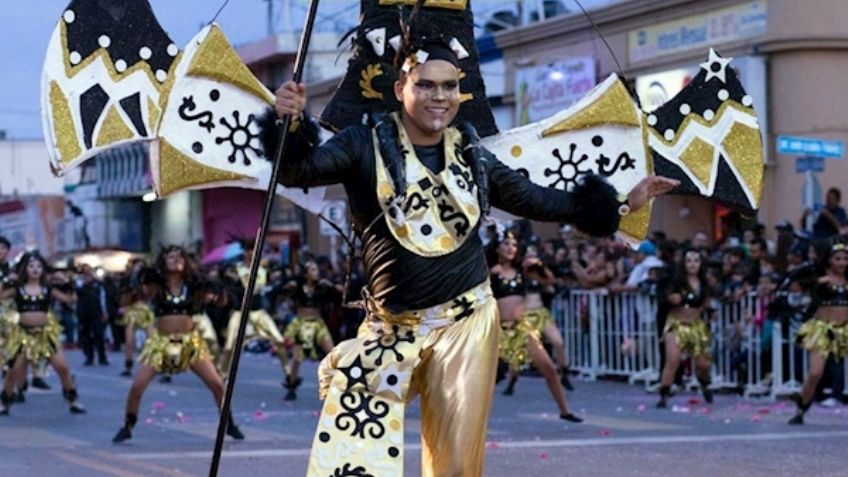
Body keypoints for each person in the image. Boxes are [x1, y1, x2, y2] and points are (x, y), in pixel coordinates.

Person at [267, 36, 677, 475]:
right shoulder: (361, 144)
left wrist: (620, 204)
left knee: (457, 467)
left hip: (465, 323)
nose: (439, 97)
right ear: (400, 87)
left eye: (449, 86)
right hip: (390, 326)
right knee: (350, 463)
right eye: (426, 85)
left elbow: (540, 201)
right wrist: (286, 124)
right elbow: (297, 170)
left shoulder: (472, 155)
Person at [112, 246, 244, 442]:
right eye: (171, 257)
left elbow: (220, 301)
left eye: (179, 256)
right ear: (163, 262)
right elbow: (126, 300)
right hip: (161, 343)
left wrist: (219, 294)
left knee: (217, 384)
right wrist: (133, 283)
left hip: (189, 343)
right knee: (137, 386)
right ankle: (128, 425)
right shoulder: (156, 287)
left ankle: (230, 424)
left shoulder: (194, 286)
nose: (176, 260)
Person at [489, 230, 580, 419]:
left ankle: (565, 411)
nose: (511, 248)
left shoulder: (522, 271)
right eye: (506, 244)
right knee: (481, 378)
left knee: (549, 368)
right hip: (496, 331)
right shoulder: (490, 272)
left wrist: (539, 264)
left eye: (514, 245)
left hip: (521, 328)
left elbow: (549, 280)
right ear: (497, 247)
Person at [0, 252, 84, 415]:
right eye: (31, 266)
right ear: (25, 269)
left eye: (38, 266)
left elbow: (71, 299)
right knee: (13, 371)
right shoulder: (17, 289)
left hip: (45, 336)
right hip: (23, 336)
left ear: (43, 270)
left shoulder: (48, 289)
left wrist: (67, 282)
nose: (35, 269)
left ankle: (73, 400)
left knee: (63, 367)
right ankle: (5, 402)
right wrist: (5, 280)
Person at [787, 237, 848, 424]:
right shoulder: (819, 277)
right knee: (815, 373)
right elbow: (794, 284)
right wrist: (815, 279)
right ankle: (800, 411)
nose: (842, 262)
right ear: (829, 259)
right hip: (821, 330)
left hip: (844, 330)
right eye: (838, 258)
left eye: (845, 258)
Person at [656, 249, 715, 409]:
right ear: (683, 263)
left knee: (703, 364)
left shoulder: (705, 283)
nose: (693, 264)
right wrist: (670, 299)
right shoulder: (676, 282)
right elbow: (663, 297)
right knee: (673, 359)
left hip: (696, 326)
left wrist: (710, 311)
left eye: (696, 261)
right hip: (676, 324)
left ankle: (704, 384)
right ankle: (664, 395)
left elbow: (708, 303)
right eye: (689, 261)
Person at [76, 264, 110, 366]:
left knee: (99, 335)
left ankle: (102, 357)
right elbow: (76, 294)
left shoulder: (98, 284)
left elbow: (102, 298)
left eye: (88, 271)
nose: (87, 273)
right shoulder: (79, 282)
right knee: (86, 336)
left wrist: (105, 311)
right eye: (85, 271)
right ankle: (89, 357)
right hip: (84, 312)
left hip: (96, 312)